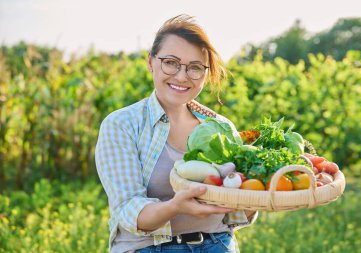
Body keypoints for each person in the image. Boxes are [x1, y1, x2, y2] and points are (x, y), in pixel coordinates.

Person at [95, 14, 257, 253]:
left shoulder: (220, 128)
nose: (181, 76)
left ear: (206, 73)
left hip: (218, 244)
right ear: (151, 61)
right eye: (170, 62)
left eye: (195, 68)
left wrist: (263, 185)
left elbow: (236, 213)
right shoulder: (122, 124)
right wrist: (176, 206)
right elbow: (129, 212)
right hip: (149, 248)